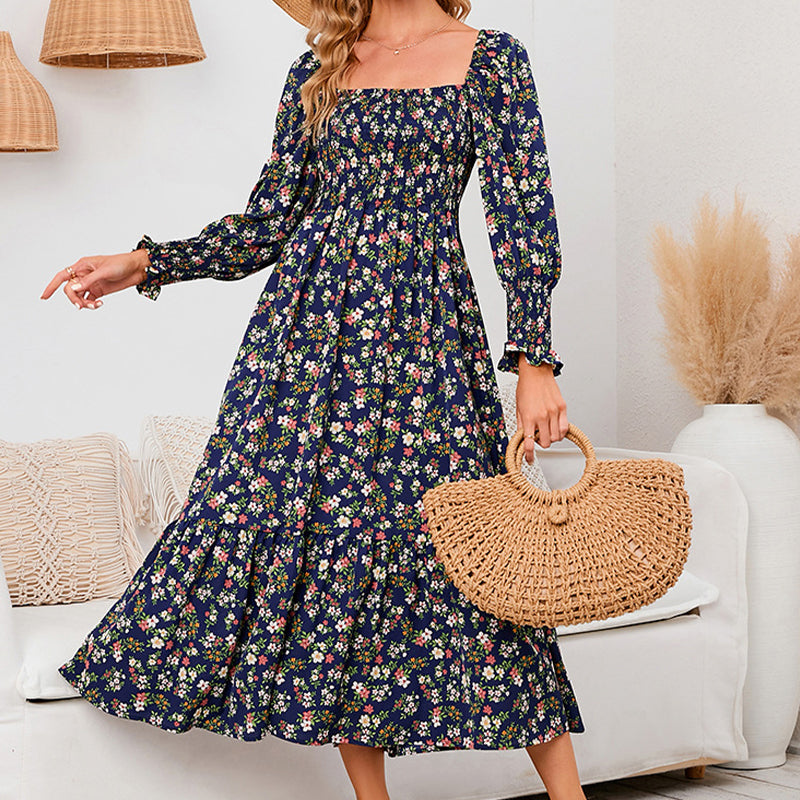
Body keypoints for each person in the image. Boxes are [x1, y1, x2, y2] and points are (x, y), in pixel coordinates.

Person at [40, 1, 586, 798]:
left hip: (427, 335)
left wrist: (535, 360)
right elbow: (268, 225)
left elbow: (524, 217)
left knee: (474, 553)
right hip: (306, 344)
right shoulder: (320, 64)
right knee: (332, 551)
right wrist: (146, 262)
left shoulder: (491, 59)